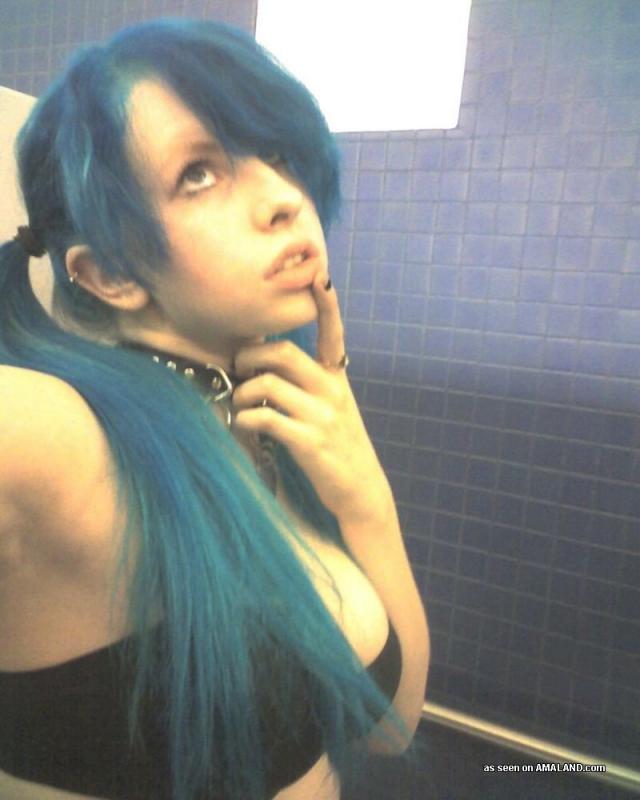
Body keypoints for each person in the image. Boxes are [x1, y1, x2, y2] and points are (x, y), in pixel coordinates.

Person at [0, 18, 429, 800]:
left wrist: (366, 498)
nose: (284, 199)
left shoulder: (279, 431)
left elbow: (390, 728)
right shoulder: (71, 436)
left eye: (278, 155)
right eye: (198, 174)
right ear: (109, 275)